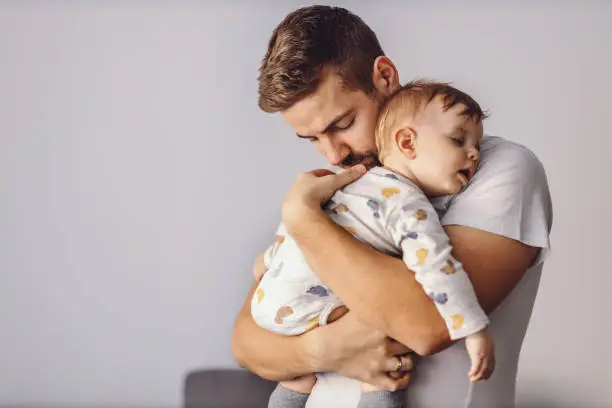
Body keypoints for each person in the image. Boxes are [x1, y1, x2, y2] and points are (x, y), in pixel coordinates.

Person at [231, 5, 553, 407]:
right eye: (311, 139)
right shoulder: (349, 195)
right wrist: (323, 350)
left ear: (384, 76)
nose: (332, 155)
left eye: (342, 124)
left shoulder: (499, 169)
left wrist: (304, 221)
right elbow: (246, 341)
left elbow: (428, 324)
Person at [253, 81, 495, 408]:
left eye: (476, 144)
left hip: (271, 301)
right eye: (457, 139)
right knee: (387, 328)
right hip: (308, 306)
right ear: (407, 142)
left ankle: (291, 390)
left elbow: (298, 222)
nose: (474, 153)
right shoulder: (409, 204)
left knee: (298, 376)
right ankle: (375, 392)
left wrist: (268, 260)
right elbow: (438, 267)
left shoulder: (352, 180)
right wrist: (474, 328)